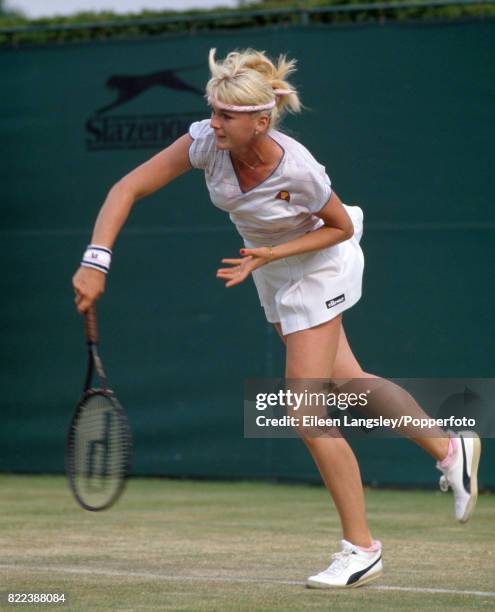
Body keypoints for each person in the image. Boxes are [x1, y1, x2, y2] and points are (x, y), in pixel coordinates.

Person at [73, 48, 481, 589]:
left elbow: (338, 227)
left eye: (226, 116)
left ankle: (362, 548)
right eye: (212, 110)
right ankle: (450, 446)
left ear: (260, 120)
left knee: (305, 410)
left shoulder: (299, 168)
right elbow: (127, 188)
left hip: (320, 263)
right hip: (269, 266)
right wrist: (95, 258)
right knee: (349, 381)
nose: (213, 122)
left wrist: (270, 255)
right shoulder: (204, 143)